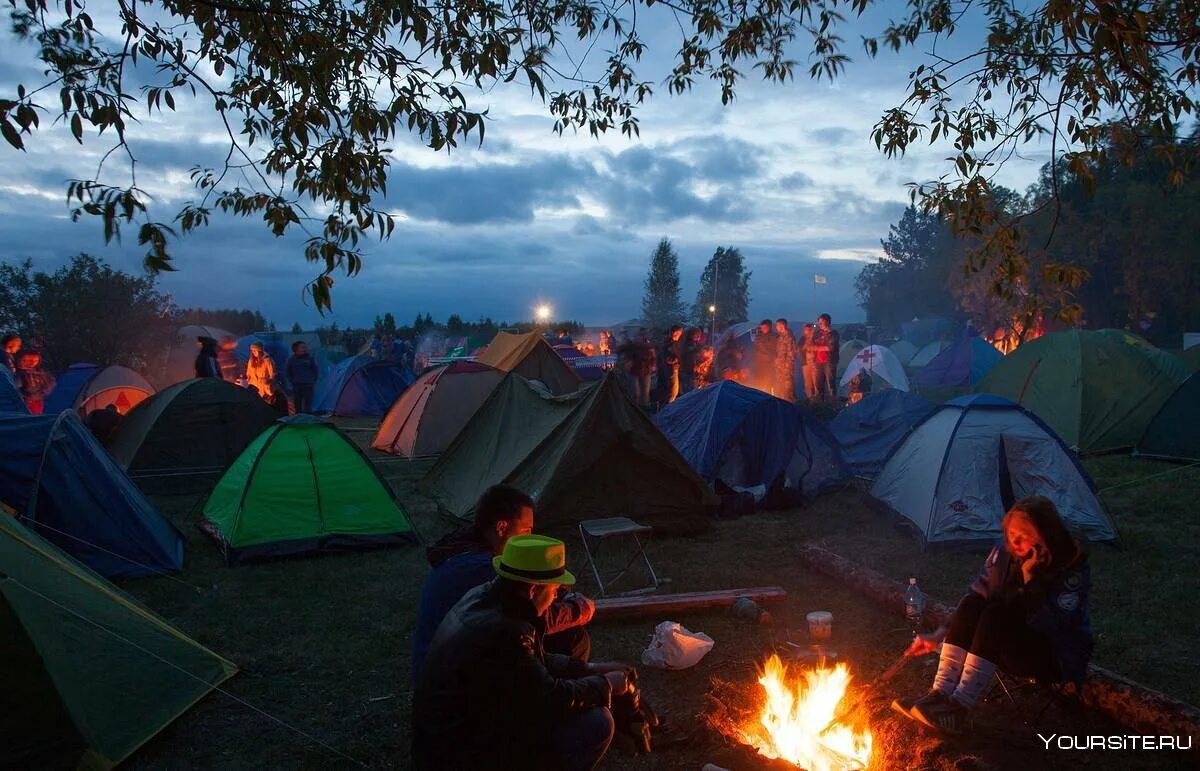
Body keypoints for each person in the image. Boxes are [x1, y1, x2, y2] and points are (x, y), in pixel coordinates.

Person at [412, 533, 627, 771]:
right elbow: (551, 700)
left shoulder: (484, 597)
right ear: (534, 589)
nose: (556, 597)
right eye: (554, 590)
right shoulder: (504, 631)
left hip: (450, 730)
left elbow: (523, 664)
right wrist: (606, 684)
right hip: (460, 751)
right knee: (595, 723)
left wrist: (587, 668)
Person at [893, 496, 1093, 734]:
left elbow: (1052, 626)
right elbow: (979, 592)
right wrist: (939, 633)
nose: (1014, 541)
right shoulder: (1005, 553)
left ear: (1045, 534)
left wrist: (1030, 582)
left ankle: (958, 708)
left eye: (1024, 535)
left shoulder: (1070, 567)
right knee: (972, 604)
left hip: (1050, 655)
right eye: (1011, 534)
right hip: (997, 644)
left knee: (996, 613)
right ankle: (940, 696)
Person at [411, 485, 595, 683]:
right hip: (452, 676)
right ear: (501, 528)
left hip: (443, 662)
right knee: (572, 638)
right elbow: (533, 618)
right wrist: (580, 608)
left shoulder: (462, 551)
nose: (530, 538)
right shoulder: (486, 568)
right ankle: (552, 696)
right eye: (526, 530)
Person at [13, 349, 55, 415]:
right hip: (24, 401)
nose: (33, 363)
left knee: (35, 417)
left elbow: (51, 382)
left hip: (37, 400)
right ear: (21, 360)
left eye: (36, 361)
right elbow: (15, 386)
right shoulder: (17, 372)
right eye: (29, 360)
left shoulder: (40, 372)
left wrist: (44, 391)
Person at [811, 314, 840, 399]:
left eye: (821, 322)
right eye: (819, 322)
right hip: (818, 362)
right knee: (818, 385)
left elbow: (830, 347)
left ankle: (832, 403)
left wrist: (817, 348)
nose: (819, 324)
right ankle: (819, 404)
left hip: (829, 362)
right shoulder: (817, 333)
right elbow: (812, 344)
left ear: (827, 322)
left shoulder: (833, 334)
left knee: (830, 384)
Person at [286, 341, 319, 413]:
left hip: (308, 384)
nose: (305, 349)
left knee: (308, 404)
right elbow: (288, 372)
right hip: (297, 385)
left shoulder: (309, 358)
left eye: (305, 347)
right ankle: (298, 419)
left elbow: (315, 371)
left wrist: (312, 380)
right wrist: (292, 381)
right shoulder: (291, 359)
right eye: (302, 347)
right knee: (297, 404)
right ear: (296, 349)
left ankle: (309, 418)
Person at [773, 319, 797, 402]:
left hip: (786, 368)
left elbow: (792, 354)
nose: (776, 327)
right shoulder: (780, 337)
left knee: (788, 388)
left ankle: (792, 404)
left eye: (777, 325)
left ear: (782, 326)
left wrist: (787, 367)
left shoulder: (789, 337)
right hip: (780, 367)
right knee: (781, 387)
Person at [660, 325, 684, 404]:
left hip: (669, 369)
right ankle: (668, 410)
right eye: (680, 332)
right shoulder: (671, 344)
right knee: (673, 392)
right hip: (671, 370)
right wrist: (679, 359)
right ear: (676, 332)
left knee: (672, 391)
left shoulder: (668, 343)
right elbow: (669, 360)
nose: (681, 334)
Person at [799, 323, 819, 399]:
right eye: (806, 330)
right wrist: (806, 342)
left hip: (815, 363)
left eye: (809, 329)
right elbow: (799, 348)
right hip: (806, 364)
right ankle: (809, 398)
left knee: (816, 382)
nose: (808, 331)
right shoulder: (803, 338)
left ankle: (817, 399)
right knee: (808, 383)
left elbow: (818, 348)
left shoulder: (816, 338)